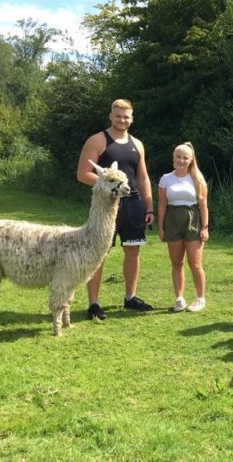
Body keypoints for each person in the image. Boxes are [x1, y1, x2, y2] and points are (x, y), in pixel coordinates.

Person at [76, 98, 155, 319]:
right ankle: (93, 303)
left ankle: (130, 297)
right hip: (107, 206)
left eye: (126, 116)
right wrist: (111, 188)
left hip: (133, 204)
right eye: (118, 115)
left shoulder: (137, 144)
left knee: (133, 250)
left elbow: (143, 177)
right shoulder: (98, 140)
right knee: (98, 253)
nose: (122, 120)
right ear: (111, 116)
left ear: (132, 118)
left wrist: (149, 207)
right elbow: (83, 174)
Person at [158, 142, 209, 313]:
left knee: (195, 263)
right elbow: (163, 205)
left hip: (193, 220)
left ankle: (200, 298)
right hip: (173, 220)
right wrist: (161, 227)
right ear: (173, 157)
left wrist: (205, 227)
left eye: (185, 157)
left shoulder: (197, 179)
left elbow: (203, 205)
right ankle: (179, 298)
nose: (181, 160)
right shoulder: (165, 179)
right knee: (176, 262)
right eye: (178, 156)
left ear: (191, 160)